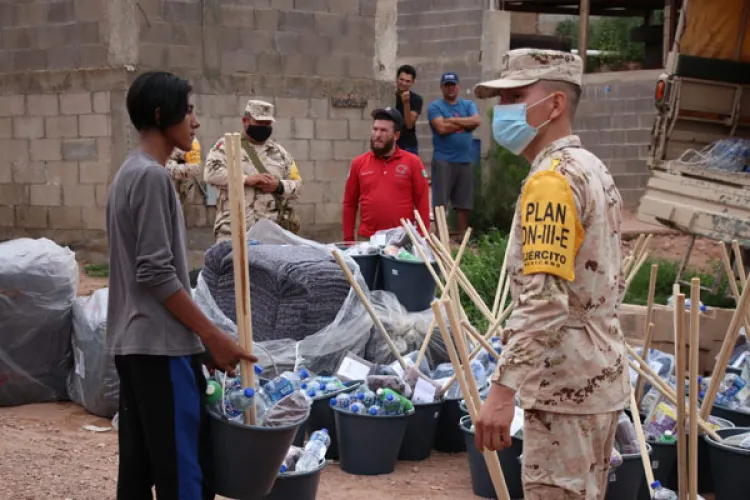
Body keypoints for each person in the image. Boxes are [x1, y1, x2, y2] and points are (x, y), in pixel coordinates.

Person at [471, 49, 630, 499]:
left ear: (556, 105)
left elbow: (545, 299)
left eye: (517, 96)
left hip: (564, 391)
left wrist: (501, 393)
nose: (502, 111)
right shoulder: (591, 168)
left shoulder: (551, 181)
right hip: (598, 380)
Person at [106, 71, 257, 499]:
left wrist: (199, 344)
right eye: (188, 110)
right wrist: (213, 335)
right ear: (161, 114)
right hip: (160, 349)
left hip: (133, 346)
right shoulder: (153, 178)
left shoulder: (126, 174)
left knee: (137, 472)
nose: (194, 121)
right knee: (184, 473)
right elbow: (155, 272)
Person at [204, 100, 303, 242]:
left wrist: (278, 186)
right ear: (245, 121)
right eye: (259, 123)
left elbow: (298, 186)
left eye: (267, 124)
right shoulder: (226, 146)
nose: (264, 127)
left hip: (270, 235)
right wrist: (246, 179)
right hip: (233, 233)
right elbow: (210, 173)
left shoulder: (279, 153)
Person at [342, 106, 430, 242]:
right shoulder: (358, 163)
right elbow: (349, 204)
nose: (377, 135)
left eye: (383, 130)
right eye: (375, 129)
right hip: (367, 239)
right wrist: (348, 240)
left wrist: (422, 239)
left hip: (402, 239)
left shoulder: (413, 162)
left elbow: (422, 202)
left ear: (396, 136)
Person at [427, 72, 481, 240]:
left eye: (453, 85)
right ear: (442, 87)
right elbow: (441, 128)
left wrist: (451, 121)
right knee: (441, 200)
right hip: (443, 159)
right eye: (447, 85)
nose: (450, 88)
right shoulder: (435, 106)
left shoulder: (468, 104)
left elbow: (477, 121)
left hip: (464, 159)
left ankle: (461, 234)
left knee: (463, 201)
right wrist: (466, 123)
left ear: (458, 86)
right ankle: (442, 234)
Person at [394, 64, 423, 155]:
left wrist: (406, 103)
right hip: (390, 143)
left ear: (412, 82)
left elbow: (409, 124)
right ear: (397, 78)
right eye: (401, 79)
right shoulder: (388, 96)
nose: (403, 83)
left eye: (407, 81)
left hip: (407, 145)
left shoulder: (416, 99)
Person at [166, 137, 202, 206]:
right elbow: (163, 163)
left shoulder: (192, 141)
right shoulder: (167, 140)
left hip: (186, 186)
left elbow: (196, 168)